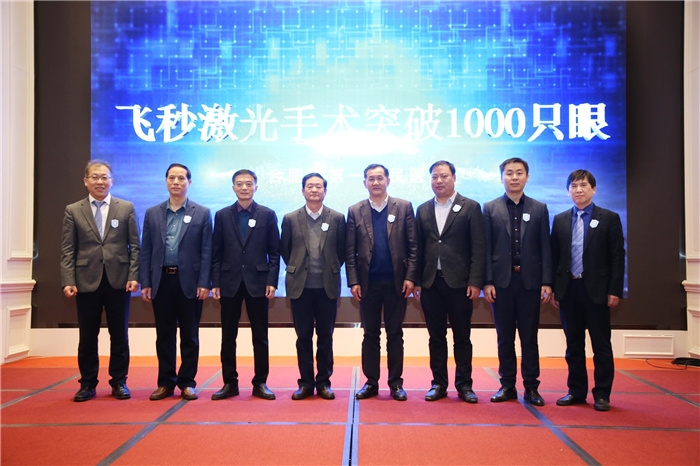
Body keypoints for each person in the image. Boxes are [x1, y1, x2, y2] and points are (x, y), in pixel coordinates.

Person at [60, 159, 140, 402]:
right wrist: (68, 280)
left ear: (111, 181)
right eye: (95, 177)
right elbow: (68, 249)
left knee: (119, 334)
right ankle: (87, 384)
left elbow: (135, 246)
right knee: (87, 336)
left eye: (104, 177)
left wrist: (134, 276)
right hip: (86, 281)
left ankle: (119, 382)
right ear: (86, 181)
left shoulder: (125, 208)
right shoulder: (73, 210)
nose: (100, 181)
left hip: (119, 281)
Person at [551, 169, 625, 412]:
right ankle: (576, 391)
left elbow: (617, 257)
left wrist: (614, 290)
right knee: (573, 346)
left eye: (583, 185)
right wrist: (555, 288)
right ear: (568, 191)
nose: (578, 190)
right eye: (573, 186)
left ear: (593, 189)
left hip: (597, 291)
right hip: (569, 290)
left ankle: (602, 394)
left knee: (601, 346)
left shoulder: (609, 218)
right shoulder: (560, 220)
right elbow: (555, 258)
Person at [139, 163, 212, 401]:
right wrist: (145, 282)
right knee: (164, 336)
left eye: (181, 178)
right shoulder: (153, 213)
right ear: (166, 181)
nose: (176, 182)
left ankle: (187, 382)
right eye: (172, 178)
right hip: (161, 281)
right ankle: (165, 382)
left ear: (189, 182)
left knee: (190, 336)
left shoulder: (202, 213)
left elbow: (207, 251)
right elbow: (146, 250)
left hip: (190, 282)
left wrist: (204, 282)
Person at [483, 158, 552, 406]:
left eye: (519, 173)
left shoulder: (539, 208)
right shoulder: (490, 208)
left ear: (527, 177)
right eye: (509, 173)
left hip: (530, 283)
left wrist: (547, 281)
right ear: (501, 177)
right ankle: (507, 386)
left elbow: (546, 247)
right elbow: (486, 248)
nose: (514, 177)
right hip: (501, 283)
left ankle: (532, 387)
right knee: (505, 338)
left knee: (529, 338)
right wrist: (487, 281)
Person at [414, 160, 485, 403]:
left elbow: (478, 247)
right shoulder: (423, 209)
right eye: (435, 177)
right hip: (431, 284)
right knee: (436, 337)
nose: (439, 181)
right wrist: (417, 281)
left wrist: (475, 281)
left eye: (444, 176)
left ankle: (464, 385)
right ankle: (438, 384)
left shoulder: (470, 207)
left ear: (454, 178)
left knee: (462, 337)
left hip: (460, 285)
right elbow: (418, 249)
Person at [346, 164, 418, 401]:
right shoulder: (355, 210)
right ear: (364, 183)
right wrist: (353, 281)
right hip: (368, 284)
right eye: (371, 179)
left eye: (379, 178)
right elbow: (350, 251)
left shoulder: (404, 207)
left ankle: (396, 383)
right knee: (370, 335)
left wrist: (410, 277)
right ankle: (371, 382)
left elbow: (413, 246)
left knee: (395, 334)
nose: (375, 182)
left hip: (397, 283)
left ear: (388, 180)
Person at [211, 169, 280, 400]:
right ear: (233, 187)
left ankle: (260, 383)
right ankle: (230, 383)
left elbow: (274, 252)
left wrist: (272, 280)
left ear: (255, 187)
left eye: (248, 184)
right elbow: (216, 252)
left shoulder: (267, 214)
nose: (244, 187)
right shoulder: (222, 215)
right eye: (239, 184)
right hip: (229, 282)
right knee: (228, 336)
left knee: (260, 336)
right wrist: (215, 281)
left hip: (258, 283)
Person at [280, 173, 346, 400]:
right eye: (310, 186)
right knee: (303, 337)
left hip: (327, 287)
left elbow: (342, 251)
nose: (314, 190)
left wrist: (330, 268)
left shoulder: (337, 218)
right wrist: (298, 268)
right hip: (300, 287)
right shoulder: (290, 218)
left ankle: (324, 383)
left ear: (325, 191)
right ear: (303, 190)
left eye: (319, 186)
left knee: (326, 336)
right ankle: (306, 383)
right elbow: (285, 250)